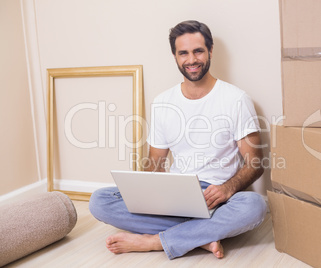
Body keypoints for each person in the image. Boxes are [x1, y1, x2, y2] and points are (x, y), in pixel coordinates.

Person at [89, 20, 267, 260]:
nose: (191, 60)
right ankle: (199, 236)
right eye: (183, 53)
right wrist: (146, 193)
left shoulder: (236, 99)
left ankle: (155, 241)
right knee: (99, 200)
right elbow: (155, 164)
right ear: (175, 56)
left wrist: (227, 188)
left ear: (210, 51)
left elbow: (255, 163)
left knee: (255, 206)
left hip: (218, 199)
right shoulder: (163, 102)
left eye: (198, 51)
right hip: (176, 196)